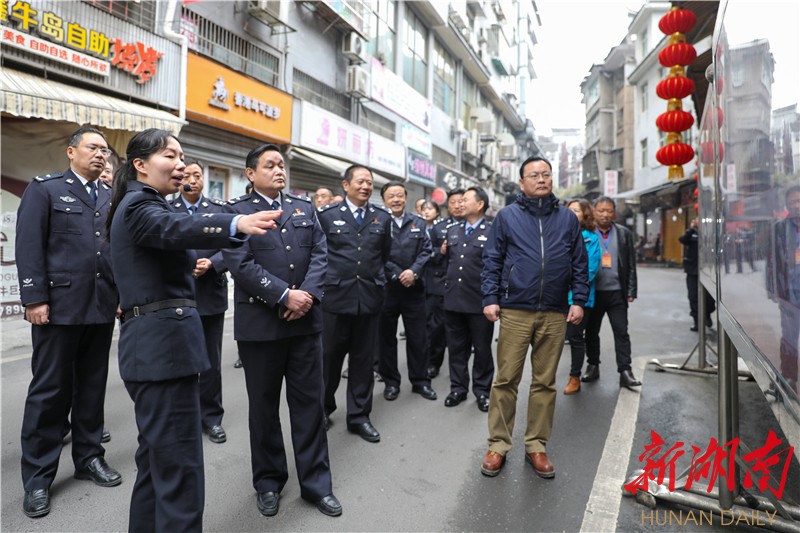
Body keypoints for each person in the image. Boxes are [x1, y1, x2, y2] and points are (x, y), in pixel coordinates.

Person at [107, 128, 280, 531]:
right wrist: (235, 221)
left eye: (182, 156)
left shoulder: (146, 204)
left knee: (157, 464)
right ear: (140, 165)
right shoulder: (139, 206)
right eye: (171, 155)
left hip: (157, 350)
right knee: (180, 470)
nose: (181, 164)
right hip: (163, 352)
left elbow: (179, 233)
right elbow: (174, 230)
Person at [224, 144, 341, 518]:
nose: (279, 170)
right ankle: (269, 481)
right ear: (250, 173)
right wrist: (284, 296)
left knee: (309, 407)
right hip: (260, 327)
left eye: (281, 165)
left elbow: (321, 253)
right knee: (263, 409)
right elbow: (239, 264)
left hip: (305, 325)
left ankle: (317, 485)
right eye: (270, 165)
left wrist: (306, 296)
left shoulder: (304, 209)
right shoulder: (237, 213)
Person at [16, 126, 121, 519]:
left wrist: (119, 297)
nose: (100, 154)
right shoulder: (45, 190)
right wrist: (35, 298)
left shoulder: (110, 196)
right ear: (71, 152)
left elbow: (112, 252)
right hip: (57, 307)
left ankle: (89, 458)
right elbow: (28, 245)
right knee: (50, 392)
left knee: (92, 388)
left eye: (105, 150)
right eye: (92, 147)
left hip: (100, 306)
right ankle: (38, 478)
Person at [479, 156, 588, 479]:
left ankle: (536, 445)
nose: (541, 179)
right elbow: (493, 259)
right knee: (506, 380)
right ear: (522, 182)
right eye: (534, 175)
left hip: (554, 311)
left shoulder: (567, 218)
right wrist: (490, 298)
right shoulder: (507, 217)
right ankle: (498, 445)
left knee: (544, 383)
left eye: (546, 174)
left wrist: (578, 300)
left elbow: (578, 261)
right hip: (515, 309)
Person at [318, 164, 392, 443]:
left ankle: (359, 416)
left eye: (370, 183)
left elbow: (383, 255)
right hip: (335, 300)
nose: (366, 186)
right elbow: (318, 254)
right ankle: (323, 409)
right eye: (360, 181)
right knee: (329, 360)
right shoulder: (326, 215)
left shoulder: (381, 218)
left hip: (369, 300)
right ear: (346, 185)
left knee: (363, 363)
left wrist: (378, 282)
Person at [172, 160, 231, 444]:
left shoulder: (219, 210)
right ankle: (185, 418)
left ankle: (212, 417)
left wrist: (213, 262)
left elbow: (234, 247)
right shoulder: (166, 210)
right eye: (187, 175)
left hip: (210, 295)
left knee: (210, 362)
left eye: (197, 175)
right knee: (180, 360)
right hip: (177, 296)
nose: (193, 180)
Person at [378, 182, 436, 402]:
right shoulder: (379, 222)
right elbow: (378, 254)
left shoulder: (418, 222)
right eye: (391, 196)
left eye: (400, 195)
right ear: (384, 200)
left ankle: (420, 381)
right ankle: (391, 382)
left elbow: (426, 251)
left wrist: (413, 272)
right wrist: (397, 274)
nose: (396, 199)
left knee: (418, 338)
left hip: (415, 289)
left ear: (406, 198)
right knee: (386, 339)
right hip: (387, 289)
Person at [442, 187, 495, 412]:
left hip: (479, 301)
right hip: (454, 299)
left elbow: (496, 267)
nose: (460, 204)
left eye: (465, 200)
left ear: (480, 204)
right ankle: (458, 388)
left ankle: (482, 391)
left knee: (482, 349)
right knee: (456, 348)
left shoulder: (492, 231)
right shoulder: (452, 230)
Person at [582, 196, 641, 390]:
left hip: (617, 292)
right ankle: (593, 365)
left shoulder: (623, 233)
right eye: (601, 210)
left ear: (613, 212)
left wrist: (631, 290)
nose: (605, 214)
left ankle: (625, 371)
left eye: (609, 211)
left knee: (621, 332)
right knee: (591, 332)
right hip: (594, 293)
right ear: (594, 211)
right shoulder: (586, 233)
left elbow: (631, 264)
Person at [563, 199, 602, 395]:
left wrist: (568, 283)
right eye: (568, 210)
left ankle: (574, 377)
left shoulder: (591, 239)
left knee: (576, 338)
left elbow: (590, 270)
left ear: (585, 214)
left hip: (580, 297)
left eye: (576, 211)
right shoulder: (560, 234)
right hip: (556, 297)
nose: (571, 214)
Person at [426, 188, 465, 378]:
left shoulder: (473, 225)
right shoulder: (439, 227)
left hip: (466, 287)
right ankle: (434, 362)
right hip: (441, 284)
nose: (457, 206)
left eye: (461, 201)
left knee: (463, 331)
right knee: (437, 328)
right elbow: (427, 253)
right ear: (447, 206)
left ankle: (460, 369)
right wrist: (439, 251)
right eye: (453, 202)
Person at [767, 186, 800, 393]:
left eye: (799, 201)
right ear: (787, 205)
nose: (796, 205)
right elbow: (772, 260)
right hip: (789, 293)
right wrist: (772, 288)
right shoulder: (779, 228)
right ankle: (789, 377)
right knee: (789, 338)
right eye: (792, 202)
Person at [678, 217, 716, 331]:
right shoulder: (691, 233)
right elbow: (682, 240)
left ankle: (707, 314)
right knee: (693, 297)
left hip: (708, 270)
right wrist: (691, 229)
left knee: (709, 298)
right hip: (692, 270)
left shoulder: (709, 233)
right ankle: (697, 321)